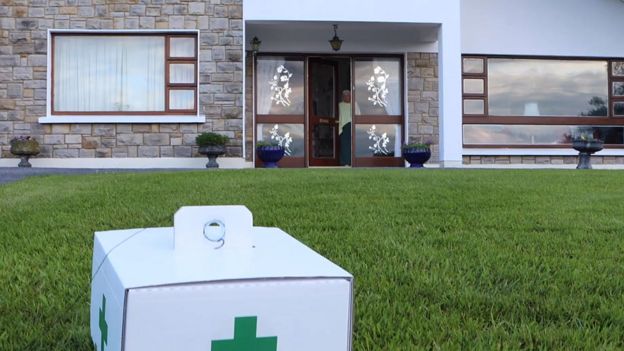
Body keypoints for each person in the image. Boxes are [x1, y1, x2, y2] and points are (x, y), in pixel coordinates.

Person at [338, 90, 352, 166]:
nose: (347, 97)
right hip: (343, 126)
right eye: (345, 95)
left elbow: (358, 114)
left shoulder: (354, 104)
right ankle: (344, 162)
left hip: (351, 125)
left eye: (348, 95)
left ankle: (351, 162)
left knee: (351, 144)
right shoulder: (340, 105)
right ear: (342, 97)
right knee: (344, 145)